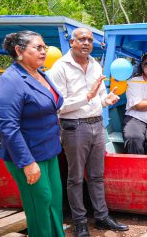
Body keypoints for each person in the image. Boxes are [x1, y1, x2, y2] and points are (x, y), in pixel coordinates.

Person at [48, 27, 128, 237]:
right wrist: (88, 96)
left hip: (97, 124)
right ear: (72, 42)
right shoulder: (60, 67)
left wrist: (105, 100)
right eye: (81, 39)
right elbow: (58, 105)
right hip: (74, 127)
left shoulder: (94, 64)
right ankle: (80, 222)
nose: (86, 43)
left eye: (90, 40)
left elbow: (99, 97)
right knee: (75, 178)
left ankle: (101, 217)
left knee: (97, 176)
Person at [0, 31, 65, 237]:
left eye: (45, 47)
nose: (44, 52)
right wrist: (27, 163)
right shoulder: (11, 81)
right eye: (38, 47)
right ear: (19, 51)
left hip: (49, 150)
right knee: (39, 204)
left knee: (54, 201)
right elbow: (8, 127)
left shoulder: (40, 73)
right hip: (27, 155)